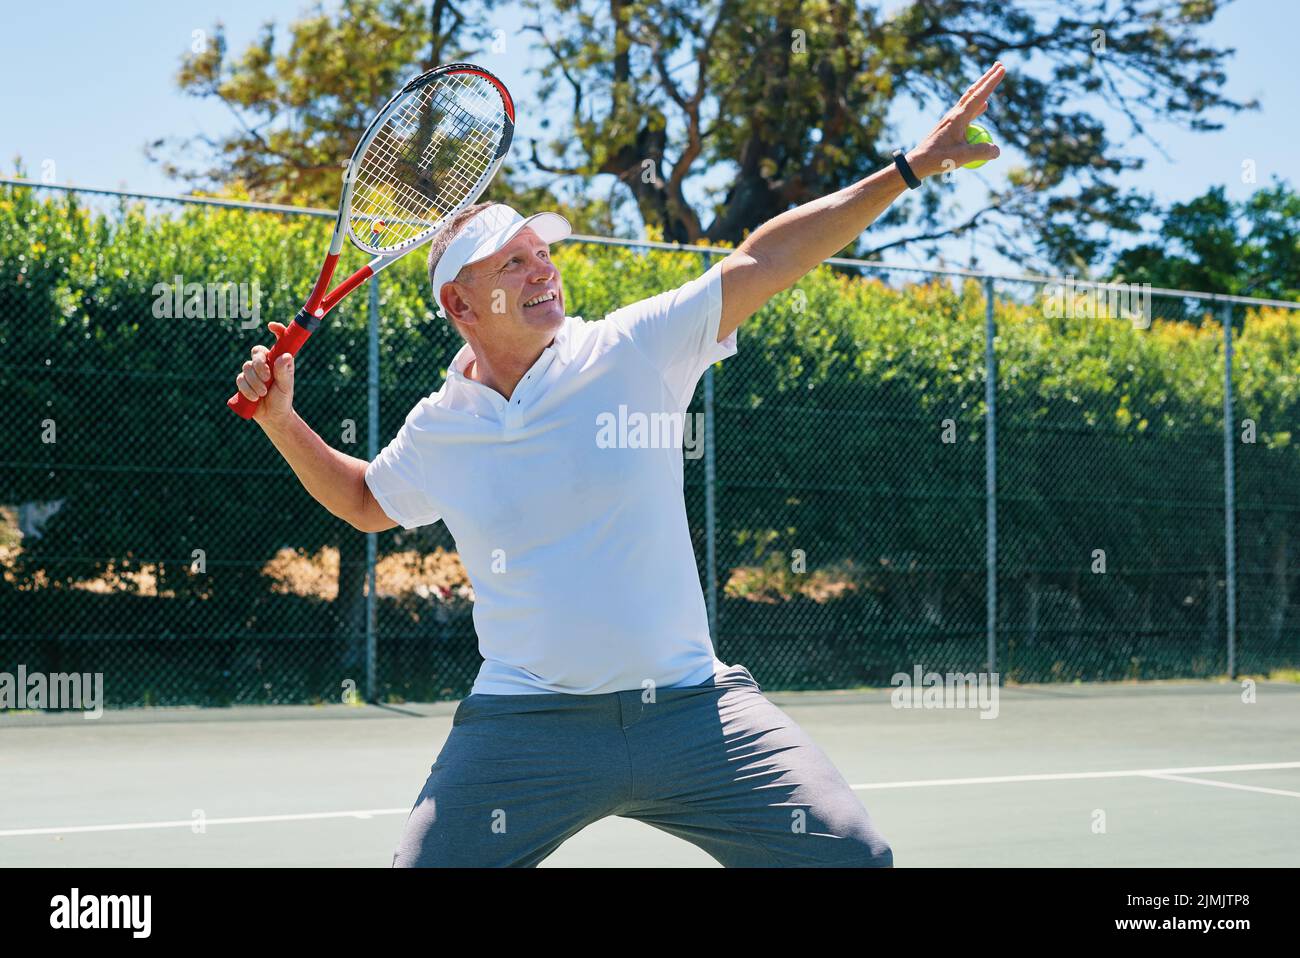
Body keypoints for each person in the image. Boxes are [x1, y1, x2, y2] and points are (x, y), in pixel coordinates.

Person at [233, 64, 1004, 867]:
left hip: (693, 713)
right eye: (513, 265)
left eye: (542, 253)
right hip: (526, 724)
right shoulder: (441, 428)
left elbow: (766, 260)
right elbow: (365, 501)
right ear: (459, 307)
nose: (543, 271)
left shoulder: (634, 348)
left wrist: (912, 167)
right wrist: (282, 420)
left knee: (853, 859)